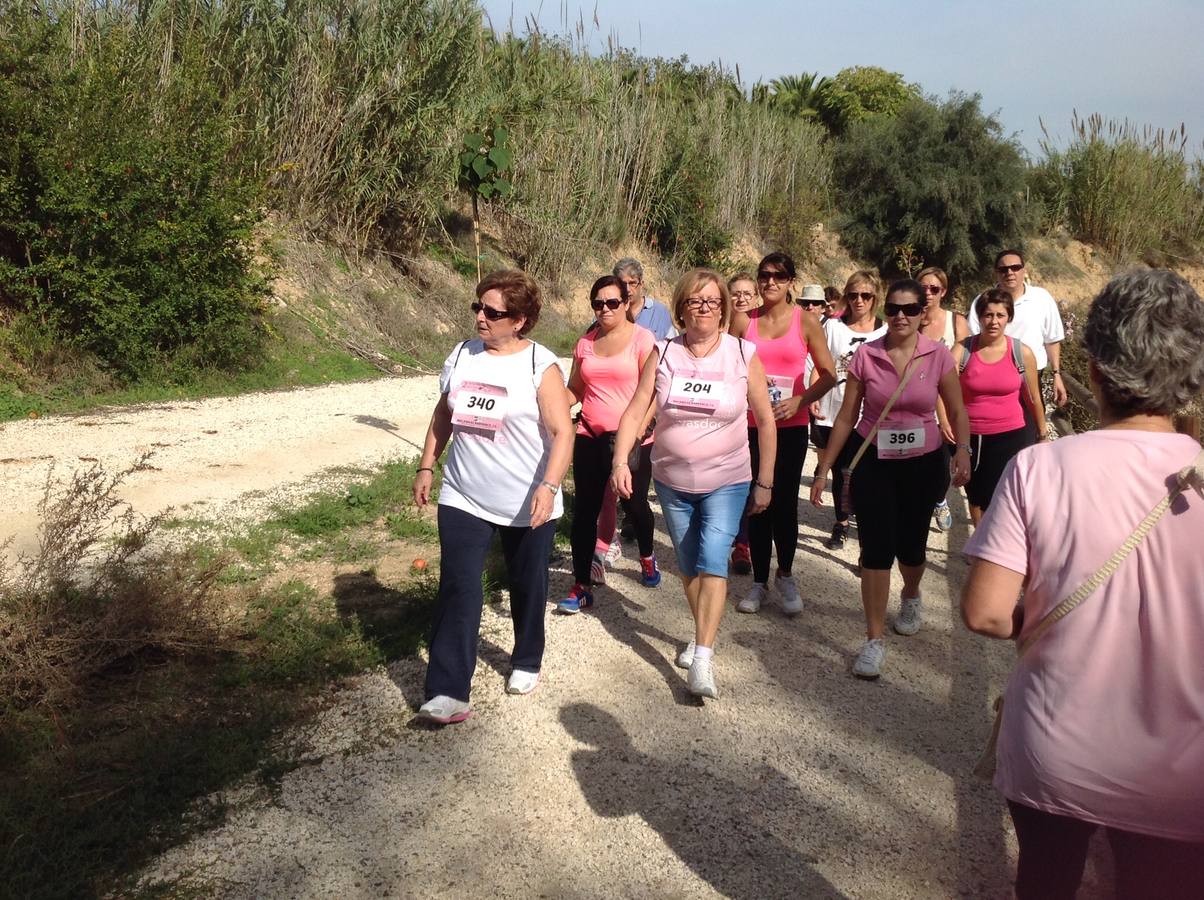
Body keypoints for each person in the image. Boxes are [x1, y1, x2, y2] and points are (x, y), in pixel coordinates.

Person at [961, 268, 1204, 899]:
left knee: (1044, 881)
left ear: (1092, 369)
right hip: (1183, 773)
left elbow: (985, 613)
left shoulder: (1038, 467)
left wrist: (1043, 617)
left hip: (1055, 754)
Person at [411, 270, 573, 724]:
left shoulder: (540, 365)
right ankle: (448, 691)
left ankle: (526, 658)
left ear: (519, 320)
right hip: (464, 493)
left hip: (528, 499)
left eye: (492, 312)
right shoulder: (463, 354)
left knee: (527, 585)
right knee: (459, 586)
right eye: (477, 307)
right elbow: (444, 414)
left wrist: (549, 485)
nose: (481, 317)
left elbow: (563, 433)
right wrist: (428, 464)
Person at [611, 268, 776, 699]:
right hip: (672, 479)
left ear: (724, 308)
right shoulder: (664, 353)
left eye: (713, 302)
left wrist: (766, 480)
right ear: (681, 308)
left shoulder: (742, 353)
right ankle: (702, 630)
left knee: (713, 558)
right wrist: (620, 460)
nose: (704, 309)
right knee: (687, 563)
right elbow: (634, 411)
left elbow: (766, 421)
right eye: (695, 302)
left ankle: (703, 655)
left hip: (728, 478)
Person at [809, 279, 970, 679]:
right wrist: (824, 467)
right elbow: (847, 415)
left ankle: (912, 592)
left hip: (923, 463)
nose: (901, 316)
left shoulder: (937, 357)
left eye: (910, 309)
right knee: (876, 549)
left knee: (911, 549)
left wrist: (963, 448)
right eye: (895, 309)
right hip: (873, 461)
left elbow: (956, 408)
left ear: (922, 313)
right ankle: (874, 639)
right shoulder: (866, 355)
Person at [730, 257, 836, 614]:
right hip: (750, 426)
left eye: (779, 276)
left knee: (785, 502)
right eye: (765, 276)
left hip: (789, 426)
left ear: (791, 281)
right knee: (757, 501)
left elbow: (828, 374)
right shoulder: (745, 321)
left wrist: (801, 400)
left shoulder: (805, 322)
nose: (770, 282)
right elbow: (726, 365)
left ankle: (785, 574)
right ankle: (759, 581)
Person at [559, 276, 659, 613]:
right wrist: (550, 401)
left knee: (634, 505)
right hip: (589, 434)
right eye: (598, 303)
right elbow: (575, 389)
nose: (605, 309)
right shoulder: (585, 343)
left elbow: (654, 392)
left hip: (631, 438)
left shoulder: (644, 340)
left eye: (612, 302)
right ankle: (581, 585)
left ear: (627, 303)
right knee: (584, 512)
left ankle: (647, 555)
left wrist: (642, 430)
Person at [809, 270, 887, 549]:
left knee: (867, 476)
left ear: (875, 298)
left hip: (871, 415)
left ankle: (868, 537)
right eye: (853, 295)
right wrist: (813, 395)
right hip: (835, 407)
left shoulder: (885, 331)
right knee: (840, 471)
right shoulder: (832, 326)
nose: (859, 301)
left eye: (865, 295)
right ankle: (841, 523)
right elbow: (821, 362)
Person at [954, 288, 1046, 525]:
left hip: (1011, 434)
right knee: (974, 490)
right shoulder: (962, 350)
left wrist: (1042, 433)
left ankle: (995, 542)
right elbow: (943, 391)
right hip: (972, 434)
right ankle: (979, 539)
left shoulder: (1021, 353)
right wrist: (945, 423)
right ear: (980, 317)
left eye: (1000, 315)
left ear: (1009, 318)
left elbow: (1033, 396)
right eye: (988, 315)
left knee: (1003, 492)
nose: (994, 321)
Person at [967, 250, 1069, 425]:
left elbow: (1052, 339)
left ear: (1024, 270)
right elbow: (973, 340)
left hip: (1032, 376)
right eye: (1003, 269)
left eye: (1015, 267)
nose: (1009, 273)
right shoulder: (982, 302)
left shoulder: (1041, 298)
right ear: (996, 273)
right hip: (994, 378)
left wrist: (1056, 374)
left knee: (1033, 426)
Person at [919, 266, 970, 532]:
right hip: (919, 402)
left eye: (934, 289)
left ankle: (939, 499)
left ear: (944, 292)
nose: (928, 294)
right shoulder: (912, 320)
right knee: (922, 459)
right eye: (923, 288)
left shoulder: (956, 322)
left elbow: (964, 357)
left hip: (950, 401)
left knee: (945, 460)